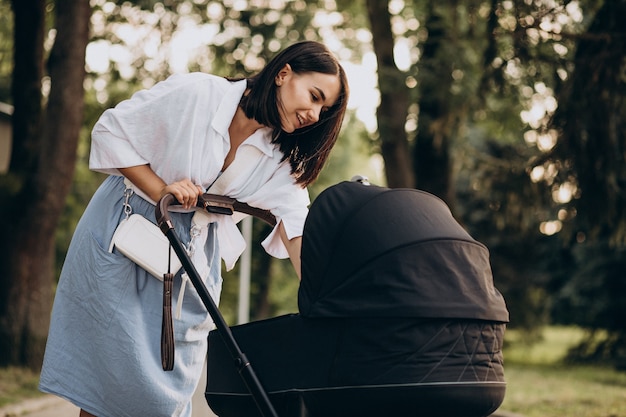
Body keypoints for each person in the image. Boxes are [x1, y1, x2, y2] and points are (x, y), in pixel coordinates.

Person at [39, 40, 349, 417]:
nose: (315, 114)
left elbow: (296, 226)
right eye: (314, 96)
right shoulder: (200, 94)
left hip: (191, 262)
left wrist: (321, 302)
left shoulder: (280, 158)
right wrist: (162, 189)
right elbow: (110, 131)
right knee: (106, 391)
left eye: (324, 109)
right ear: (284, 74)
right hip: (128, 235)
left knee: (163, 398)